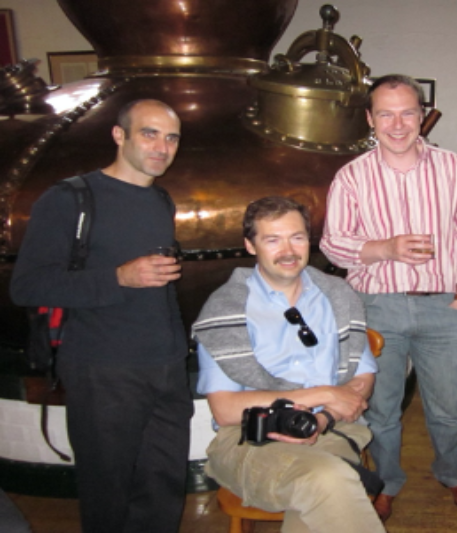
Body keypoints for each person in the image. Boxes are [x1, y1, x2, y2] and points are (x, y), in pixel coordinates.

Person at [10, 99, 192, 533]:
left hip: (165, 366)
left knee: (163, 488)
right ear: (119, 136)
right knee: (108, 491)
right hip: (102, 369)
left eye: (171, 138)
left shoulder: (160, 200)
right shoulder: (70, 198)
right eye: (149, 134)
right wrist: (118, 278)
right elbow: (27, 285)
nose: (161, 147)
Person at [320, 74, 457, 522]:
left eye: (408, 112)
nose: (398, 124)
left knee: (452, 403)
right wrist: (385, 249)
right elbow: (332, 243)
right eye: (387, 114)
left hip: (443, 304)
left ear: (422, 115)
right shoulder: (352, 176)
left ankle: (455, 474)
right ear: (371, 119)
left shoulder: (452, 167)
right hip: (377, 307)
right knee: (381, 406)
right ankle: (388, 481)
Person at [192, 196, 385, 533]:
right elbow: (225, 411)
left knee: (323, 487)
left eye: (296, 237)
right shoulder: (225, 310)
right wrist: (322, 393)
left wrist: (324, 417)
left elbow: (362, 378)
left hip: (331, 430)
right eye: (272, 239)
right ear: (250, 246)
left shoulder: (339, 296)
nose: (288, 250)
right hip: (250, 439)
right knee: (329, 478)